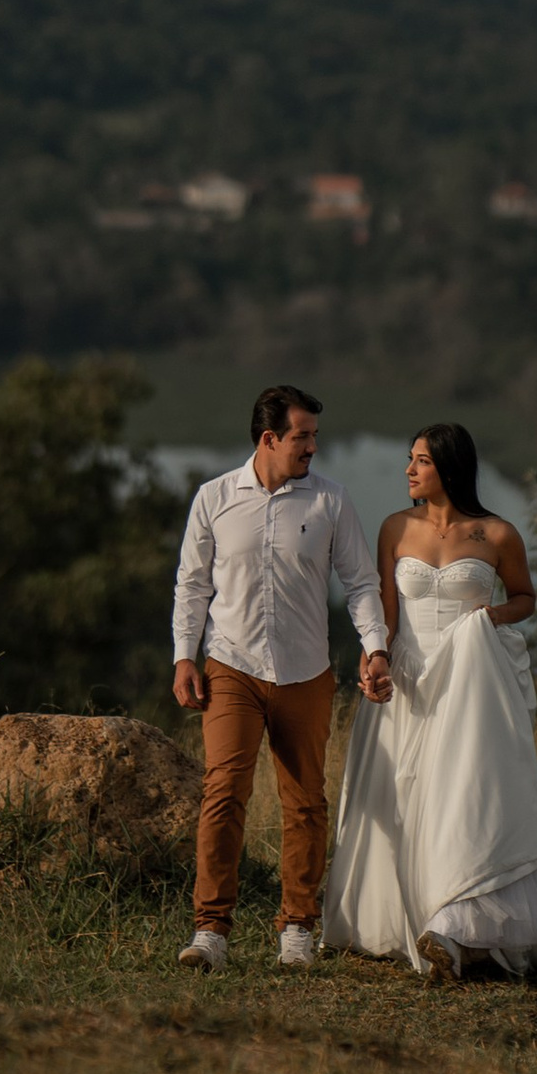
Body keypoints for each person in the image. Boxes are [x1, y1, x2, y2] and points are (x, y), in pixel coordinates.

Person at [323, 420, 537, 982]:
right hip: (411, 681)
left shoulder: (497, 535)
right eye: (409, 459)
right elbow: (385, 614)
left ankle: (458, 928)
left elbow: (526, 599)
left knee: (462, 799)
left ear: (449, 468)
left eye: (421, 461)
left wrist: (487, 617)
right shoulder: (395, 528)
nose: (408, 470)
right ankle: (415, 920)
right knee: (404, 802)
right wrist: (375, 662)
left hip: (468, 683)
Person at [170, 382, 394, 973]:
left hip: (305, 673)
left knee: (304, 804)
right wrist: (184, 657)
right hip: (231, 668)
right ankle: (210, 932)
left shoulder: (332, 502)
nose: (313, 447)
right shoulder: (213, 498)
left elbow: (361, 583)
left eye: (314, 437)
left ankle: (297, 928)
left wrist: (375, 649)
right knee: (224, 794)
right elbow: (192, 586)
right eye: (303, 437)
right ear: (269, 438)